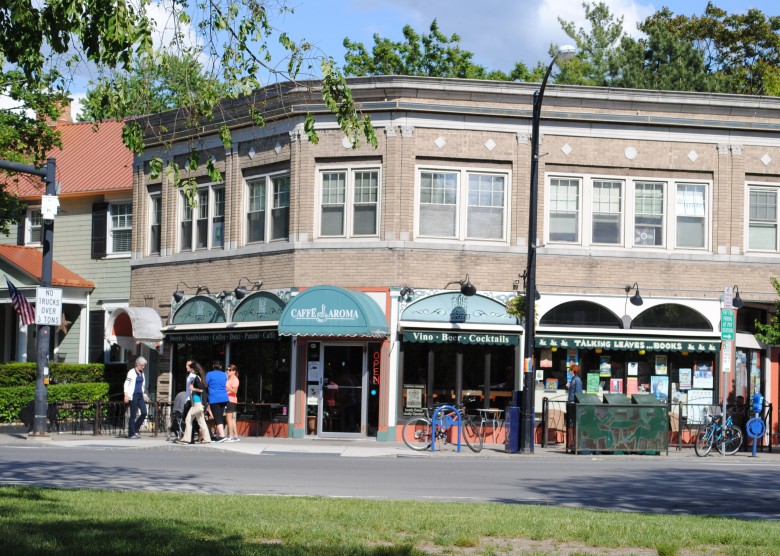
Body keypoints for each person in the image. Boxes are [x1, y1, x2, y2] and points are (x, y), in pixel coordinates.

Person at [177, 361, 211, 445]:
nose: (191, 370)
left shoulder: (196, 378)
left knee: (188, 419)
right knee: (201, 421)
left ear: (195, 369)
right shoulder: (200, 377)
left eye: (191, 369)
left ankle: (186, 438)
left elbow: (202, 390)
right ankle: (207, 439)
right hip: (198, 403)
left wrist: (193, 389)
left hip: (197, 403)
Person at [123, 356, 149, 439]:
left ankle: (135, 429)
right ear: (137, 364)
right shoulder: (131, 372)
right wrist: (126, 394)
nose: (143, 367)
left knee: (144, 412)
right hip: (133, 395)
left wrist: (143, 394)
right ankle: (131, 433)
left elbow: (142, 385)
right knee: (133, 414)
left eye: (144, 365)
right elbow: (126, 384)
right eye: (142, 365)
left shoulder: (142, 373)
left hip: (140, 395)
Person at [205, 360, 229, 442]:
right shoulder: (224, 374)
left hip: (214, 398)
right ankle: (219, 434)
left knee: (217, 417)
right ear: (221, 367)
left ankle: (222, 435)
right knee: (219, 416)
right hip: (224, 398)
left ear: (213, 366)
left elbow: (205, 384)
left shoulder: (209, 374)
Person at [225, 364, 240, 442]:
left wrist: (227, 387)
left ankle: (231, 435)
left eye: (230, 370)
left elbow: (235, 391)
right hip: (229, 399)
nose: (228, 371)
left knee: (229, 418)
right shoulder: (229, 379)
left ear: (234, 371)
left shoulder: (235, 379)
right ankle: (235, 435)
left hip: (231, 400)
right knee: (232, 419)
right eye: (227, 370)